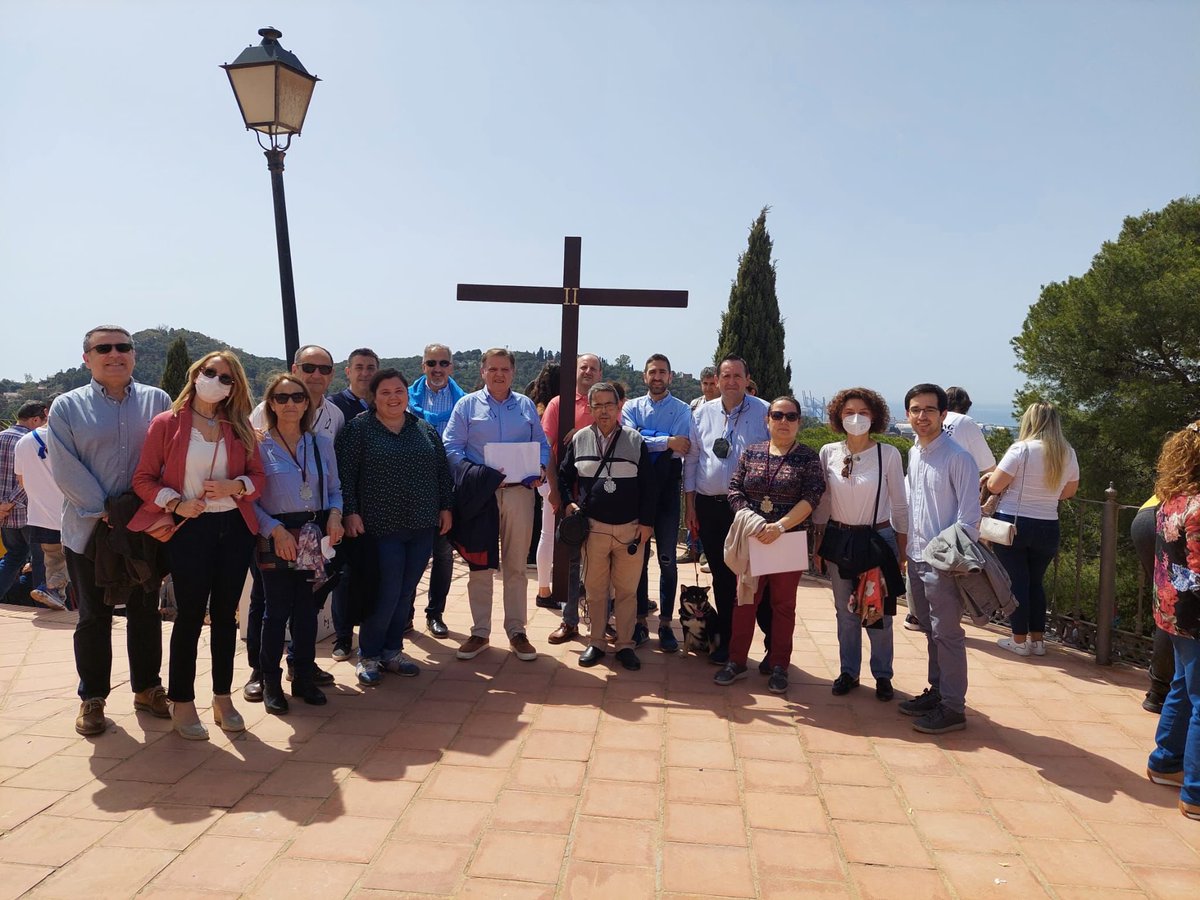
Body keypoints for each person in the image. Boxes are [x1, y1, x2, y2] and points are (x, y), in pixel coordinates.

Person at [130, 351, 265, 740]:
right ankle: (182, 700)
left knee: (225, 616)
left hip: (234, 526)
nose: (217, 381)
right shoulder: (168, 423)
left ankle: (222, 697)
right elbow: (143, 479)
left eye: (227, 378)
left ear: (235, 387)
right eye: (211, 373)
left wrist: (235, 486)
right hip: (191, 527)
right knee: (189, 615)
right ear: (195, 374)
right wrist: (174, 501)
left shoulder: (238, 426)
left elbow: (258, 478)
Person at [48, 326, 172, 736]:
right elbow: (65, 468)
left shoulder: (159, 400)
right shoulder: (66, 406)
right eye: (104, 348)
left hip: (144, 527)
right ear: (87, 358)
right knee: (94, 616)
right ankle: (93, 697)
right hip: (89, 529)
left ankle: (148, 688)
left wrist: (146, 512)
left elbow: (171, 458)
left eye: (123, 347)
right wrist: (108, 511)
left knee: (145, 611)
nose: (115, 354)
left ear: (134, 355)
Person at [339, 368, 453, 685]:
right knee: (385, 593)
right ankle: (369, 655)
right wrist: (350, 512)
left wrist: (445, 507)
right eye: (385, 392)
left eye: (399, 391)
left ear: (407, 394)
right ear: (373, 398)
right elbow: (344, 475)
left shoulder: (424, 429)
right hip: (380, 526)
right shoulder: (358, 430)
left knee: (405, 592)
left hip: (422, 524)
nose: (393, 397)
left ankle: (392, 651)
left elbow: (442, 472)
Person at [246, 344, 344, 694]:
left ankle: (302, 673)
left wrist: (335, 515)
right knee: (272, 610)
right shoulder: (256, 445)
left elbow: (334, 488)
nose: (290, 404)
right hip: (275, 533)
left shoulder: (320, 444)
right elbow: (248, 500)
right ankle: (266, 678)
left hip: (311, 532)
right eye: (282, 397)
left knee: (306, 609)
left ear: (307, 403)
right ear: (270, 403)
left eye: (297, 398)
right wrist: (274, 531)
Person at [443, 348, 550, 662]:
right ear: (483, 372)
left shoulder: (526, 406)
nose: (499, 374)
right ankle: (480, 632)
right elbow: (451, 448)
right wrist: (478, 476)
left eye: (505, 369)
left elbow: (542, 445)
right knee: (480, 565)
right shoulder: (466, 406)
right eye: (493, 369)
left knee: (516, 567)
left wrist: (541, 468)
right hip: (481, 497)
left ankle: (517, 631)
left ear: (513, 373)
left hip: (519, 493)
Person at [717, 397, 824, 693]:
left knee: (783, 606)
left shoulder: (807, 457)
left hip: (787, 540)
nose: (784, 421)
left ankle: (779, 665)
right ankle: (736, 661)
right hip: (753, 537)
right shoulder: (752, 452)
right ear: (768, 420)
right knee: (744, 601)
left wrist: (779, 527)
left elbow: (812, 497)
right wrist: (755, 522)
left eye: (791, 416)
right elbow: (735, 489)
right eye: (778, 415)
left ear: (799, 421)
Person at [812, 388, 908, 701]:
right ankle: (848, 672)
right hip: (839, 539)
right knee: (845, 612)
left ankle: (882, 675)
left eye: (863, 412)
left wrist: (903, 549)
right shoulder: (828, 452)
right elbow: (823, 501)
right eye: (849, 412)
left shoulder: (888, 454)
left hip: (876, 539)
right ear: (839, 417)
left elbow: (900, 505)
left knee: (878, 612)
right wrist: (817, 543)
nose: (856, 418)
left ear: (875, 417)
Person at [899, 383, 981, 735]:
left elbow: (970, 521)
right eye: (916, 410)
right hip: (915, 559)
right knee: (931, 633)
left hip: (942, 564)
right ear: (908, 415)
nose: (922, 416)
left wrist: (941, 557)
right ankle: (937, 692)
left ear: (943, 415)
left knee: (947, 634)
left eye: (929, 410)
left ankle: (953, 708)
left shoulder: (958, 458)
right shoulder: (915, 452)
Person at [558, 383, 655, 670]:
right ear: (589, 408)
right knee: (596, 590)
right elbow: (563, 476)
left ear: (619, 406)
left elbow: (650, 486)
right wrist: (567, 503)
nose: (603, 411)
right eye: (597, 405)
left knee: (626, 591)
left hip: (630, 529)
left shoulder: (636, 441)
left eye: (608, 405)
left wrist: (647, 523)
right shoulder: (579, 440)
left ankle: (625, 644)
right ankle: (596, 642)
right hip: (594, 528)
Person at [683, 356, 770, 664]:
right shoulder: (701, 414)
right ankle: (729, 643)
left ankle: (772, 646)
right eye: (726, 376)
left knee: (756, 577)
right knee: (721, 576)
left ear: (747, 379)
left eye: (737, 375)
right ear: (716, 380)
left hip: (750, 510)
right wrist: (690, 505)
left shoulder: (766, 412)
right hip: (709, 506)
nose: (731, 381)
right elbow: (692, 460)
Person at [984, 401, 1079, 657]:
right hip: (1048, 525)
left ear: (1030, 421)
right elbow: (1069, 492)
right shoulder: (1067, 453)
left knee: (1017, 582)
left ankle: (1018, 639)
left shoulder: (1021, 449)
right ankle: (1038, 641)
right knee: (1036, 583)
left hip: (1013, 524)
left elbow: (994, 485)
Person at [621, 354, 696, 651]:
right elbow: (630, 441)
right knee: (637, 558)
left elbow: (684, 444)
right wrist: (665, 442)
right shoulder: (631, 406)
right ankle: (640, 621)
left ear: (671, 376)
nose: (657, 377)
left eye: (662, 372)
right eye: (652, 372)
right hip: (636, 490)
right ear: (644, 376)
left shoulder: (682, 409)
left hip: (666, 490)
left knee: (667, 559)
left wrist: (648, 437)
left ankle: (665, 623)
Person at [1145, 422, 1200, 822]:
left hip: (1173, 610)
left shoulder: (1173, 498)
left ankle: (1165, 762)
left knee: (1183, 686)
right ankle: (1195, 792)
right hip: (1195, 614)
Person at [403, 343, 466, 639]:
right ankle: (405, 614)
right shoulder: (405, 400)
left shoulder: (464, 403)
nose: (437, 369)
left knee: (442, 553)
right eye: (432, 363)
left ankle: (435, 614)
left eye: (443, 363)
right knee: (411, 554)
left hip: (450, 486)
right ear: (423, 365)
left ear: (451, 367)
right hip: (414, 486)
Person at [539, 354, 601, 641]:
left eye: (593, 368)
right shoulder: (557, 404)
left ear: (600, 373)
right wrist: (553, 490)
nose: (588, 372)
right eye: (583, 367)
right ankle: (569, 619)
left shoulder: (609, 405)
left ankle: (601, 620)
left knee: (601, 559)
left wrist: (585, 433)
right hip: (567, 492)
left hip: (601, 493)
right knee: (569, 558)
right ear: (574, 371)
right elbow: (545, 448)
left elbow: (620, 438)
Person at [14, 403, 68, 610]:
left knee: (52, 557)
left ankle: (54, 592)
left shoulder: (24, 442)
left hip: (39, 514)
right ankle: (54, 588)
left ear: (47, 413)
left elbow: (21, 480)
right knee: (80, 556)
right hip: (70, 511)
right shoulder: (71, 438)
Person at [0, 402, 49, 602]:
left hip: (4, 516)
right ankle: (44, 606)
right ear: (35, 419)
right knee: (40, 560)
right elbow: (29, 478)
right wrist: (10, 502)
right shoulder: (30, 442)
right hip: (28, 513)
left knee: (13, 556)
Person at [1133, 495, 1176, 713]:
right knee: (1174, 609)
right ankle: (1162, 692)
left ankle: (1159, 692)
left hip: (1148, 512)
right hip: (1172, 518)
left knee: (1168, 606)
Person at [329, 347, 379, 423]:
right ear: (348, 372)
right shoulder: (333, 406)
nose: (365, 373)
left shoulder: (385, 404)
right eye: (359, 368)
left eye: (370, 368)